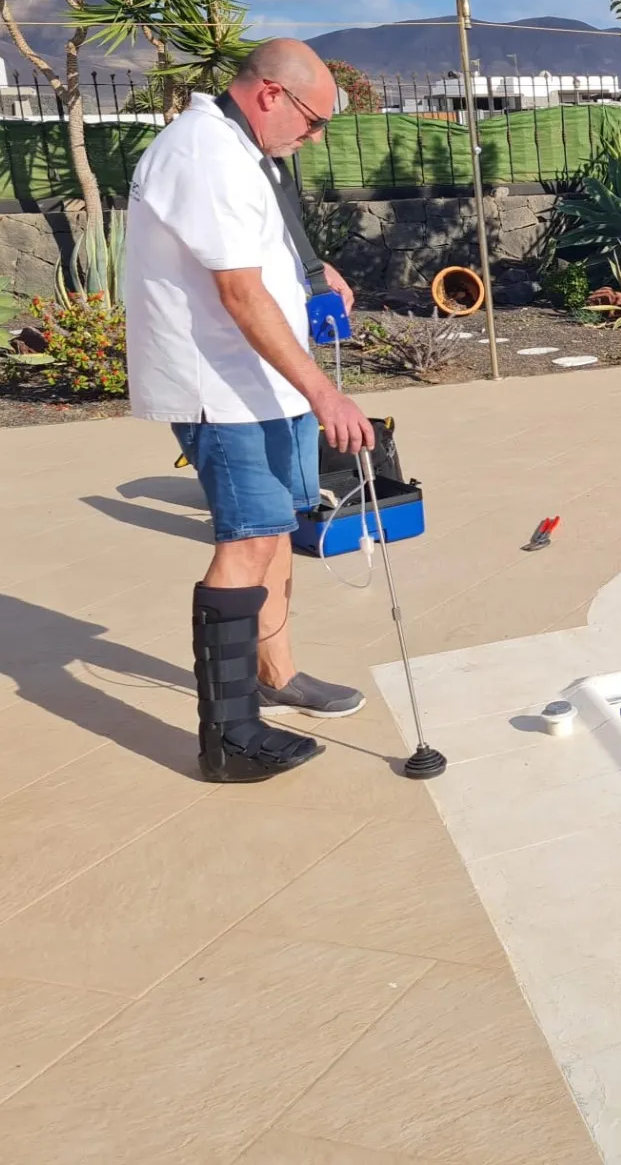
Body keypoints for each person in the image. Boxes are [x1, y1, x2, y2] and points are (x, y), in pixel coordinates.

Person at [125, 39, 374, 783]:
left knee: (271, 535)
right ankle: (229, 735)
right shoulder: (202, 151)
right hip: (222, 388)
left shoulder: (243, 150)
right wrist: (324, 391)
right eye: (313, 121)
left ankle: (277, 675)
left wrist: (309, 270)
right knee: (247, 539)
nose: (315, 136)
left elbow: (249, 253)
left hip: (263, 384)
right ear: (271, 94)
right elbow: (237, 293)